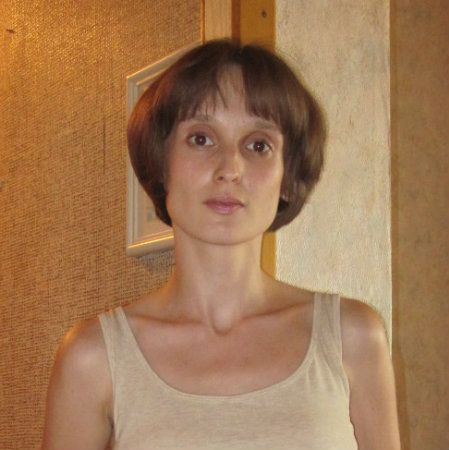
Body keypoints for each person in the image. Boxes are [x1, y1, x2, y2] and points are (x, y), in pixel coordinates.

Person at [41, 39, 400, 450]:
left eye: (258, 145)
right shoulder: (94, 358)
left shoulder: (352, 338)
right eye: (201, 139)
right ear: (160, 164)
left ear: (288, 178)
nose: (230, 168)